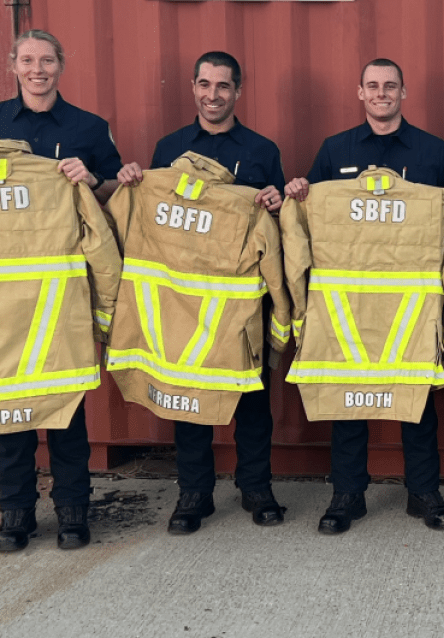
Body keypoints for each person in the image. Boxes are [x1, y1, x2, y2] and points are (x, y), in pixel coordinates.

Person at [284, 58, 444, 535]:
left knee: (417, 402)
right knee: (349, 404)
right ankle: (347, 496)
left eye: (390, 86)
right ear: (360, 93)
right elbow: (312, 213)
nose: (382, 92)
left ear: (403, 93)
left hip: (411, 308)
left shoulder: (432, 151)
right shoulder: (335, 149)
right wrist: (302, 190)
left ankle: (423, 493)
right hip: (350, 307)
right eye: (373, 85)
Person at [117, 51, 287, 534]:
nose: (213, 95)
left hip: (239, 303)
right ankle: (194, 493)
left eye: (223, 86)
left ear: (238, 91)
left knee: (250, 399)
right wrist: (133, 181)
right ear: (193, 87)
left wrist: (273, 203)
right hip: (182, 303)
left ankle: (256, 487)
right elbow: (151, 219)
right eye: (205, 85)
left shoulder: (261, 150)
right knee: (186, 397)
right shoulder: (169, 147)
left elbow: (276, 226)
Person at [0, 29, 123, 552]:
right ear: (13, 65)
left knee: (67, 409)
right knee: (8, 410)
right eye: (27, 59)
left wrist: (91, 177)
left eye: (46, 60)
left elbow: (117, 189)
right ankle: (14, 513)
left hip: (61, 299)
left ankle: (73, 510)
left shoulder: (88, 127)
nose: (37, 69)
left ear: (61, 65)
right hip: (5, 300)